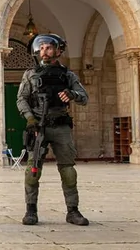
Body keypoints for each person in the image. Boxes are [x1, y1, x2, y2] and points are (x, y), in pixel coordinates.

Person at [16, 33, 90, 227]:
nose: (44, 52)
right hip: (38, 126)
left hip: (60, 126)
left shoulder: (68, 75)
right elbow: (21, 99)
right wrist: (30, 119)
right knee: (33, 170)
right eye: (41, 48)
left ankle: (72, 211)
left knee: (68, 170)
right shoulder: (30, 75)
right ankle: (31, 210)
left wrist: (71, 94)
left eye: (48, 48)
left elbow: (84, 97)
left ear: (58, 50)